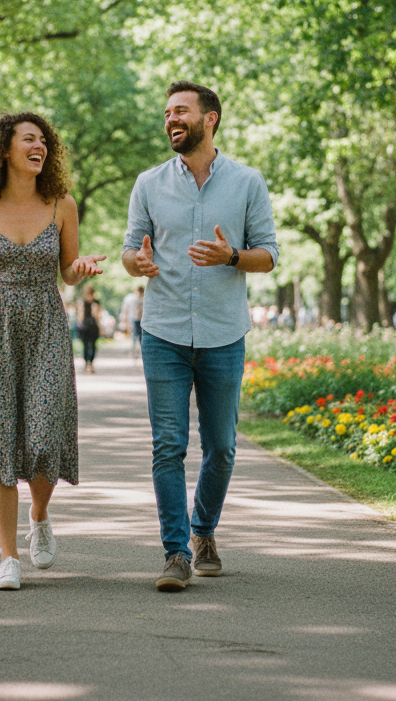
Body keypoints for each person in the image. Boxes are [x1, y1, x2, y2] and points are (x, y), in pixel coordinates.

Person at [123, 80, 279, 592]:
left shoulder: (247, 182)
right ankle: (176, 552)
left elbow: (269, 255)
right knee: (168, 446)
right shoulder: (148, 183)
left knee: (222, 448)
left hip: (223, 333)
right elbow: (129, 251)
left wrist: (230, 256)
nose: (171, 119)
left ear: (209, 119)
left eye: (181, 111)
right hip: (163, 331)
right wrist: (138, 262)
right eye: (168, 111)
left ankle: (204, 529)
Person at [0, 112, 106, 591]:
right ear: (5, 149)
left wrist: (79, 267)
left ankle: (39, 515)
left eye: (43, 141)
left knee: (43, 436)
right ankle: (8, 557)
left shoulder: (61, 204)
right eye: (28, 140)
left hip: (46, 327)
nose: (39, 147)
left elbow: (68, 273)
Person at [77, 283, 101, 372]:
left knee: (89, 345)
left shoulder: (91, 302)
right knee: (88, 345)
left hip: (88, 326)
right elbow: (97, 316)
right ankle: (88, 363)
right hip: (89, 326)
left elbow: (81, 316)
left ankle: (88, 363)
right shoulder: (86, 302)